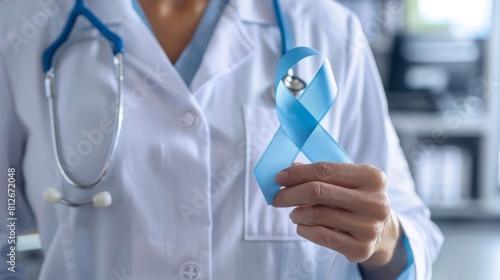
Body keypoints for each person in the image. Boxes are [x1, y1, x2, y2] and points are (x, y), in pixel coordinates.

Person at [0, 0, 443, 279]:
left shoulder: (330, 31)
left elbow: (406, 224)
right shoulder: (24, 27)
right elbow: (7, 233)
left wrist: (384, 238)